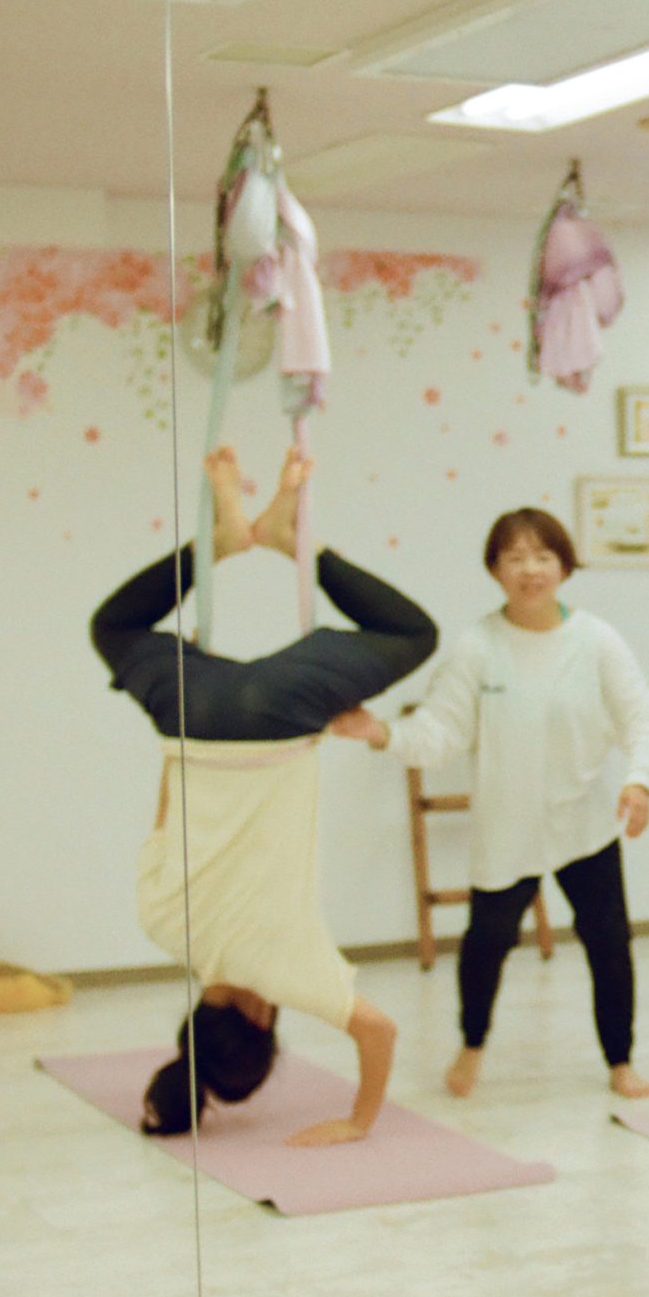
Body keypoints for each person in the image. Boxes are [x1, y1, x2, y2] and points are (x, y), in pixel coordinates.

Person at [94, 444, 435, 1146]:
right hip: (187, 717)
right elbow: (166, 811)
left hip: (274, 714)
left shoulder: (287, 972)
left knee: (412, 634)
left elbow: (378, 1031)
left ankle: (293, 541)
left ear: (258, 1020)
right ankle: (217, 544)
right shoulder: (162, 925)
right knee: (114, 629)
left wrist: (357, 1121)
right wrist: (181, 697)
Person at [384, 506, 649, 1100]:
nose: (530, 569)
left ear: (564, 566)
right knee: (486, 943)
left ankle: (620, 1060)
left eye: (543, 556)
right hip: (507, 827)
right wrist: (382, 734)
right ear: (495, 569)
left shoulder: (595, 640)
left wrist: (639, 781)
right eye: (515, 558)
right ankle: (471, 1045)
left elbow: (641, 718)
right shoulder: (477, 646)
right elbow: (440, 732)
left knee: (609, 943)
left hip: (584, 821)